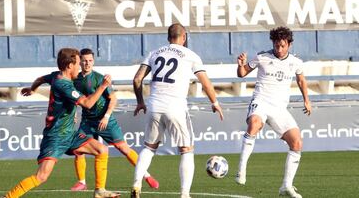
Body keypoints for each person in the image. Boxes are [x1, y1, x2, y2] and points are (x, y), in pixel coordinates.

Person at [21, 48, 159, 191]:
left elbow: (113, 99)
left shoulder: (98, 78)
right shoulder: (73, 80)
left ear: (93, 62)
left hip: (104, 118)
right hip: (86, 120)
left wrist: (106, 116)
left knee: (122, 148)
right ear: (76, 64)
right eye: (83, 61)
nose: (86, 63)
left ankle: (146, 175)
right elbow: (78, 101)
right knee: (79, 151)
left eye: (90, 61)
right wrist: (73, 112)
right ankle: (82, 182)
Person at [1, 48, 119, 198]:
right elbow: (88, 103)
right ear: (70, 65)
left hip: (69, 134)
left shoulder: (55, 76)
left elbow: (41, 79)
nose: (80, 66)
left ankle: (99, 191)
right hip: (56, 137)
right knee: (41, 177)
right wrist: (102, 86)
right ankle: (9, 197)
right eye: (78, 63)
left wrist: (32, 89)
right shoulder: (64, 85)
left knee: (102, 150)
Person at [130, 23, 224, 198]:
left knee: (149, 148)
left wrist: (140, 102)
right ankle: (184, 194)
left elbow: (137, 80)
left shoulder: (154, 53)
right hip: (175, 106)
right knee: (186, 150)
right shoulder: (190, 55)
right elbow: (205, 82)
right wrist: (215, 102)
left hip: (154, 105)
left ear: (168, 37)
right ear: (184, 37)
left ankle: (136, 185)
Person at [235, 26, 312, 198]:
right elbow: (242, 73)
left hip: (279, 109)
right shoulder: (262, 57)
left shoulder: (295, 62)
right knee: (254, 124)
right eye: (276, 45)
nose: (279, 49)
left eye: (282, 45)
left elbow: (301, 79)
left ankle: (286, 186)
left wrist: (307, 100)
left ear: (289, 45)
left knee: (297, 143)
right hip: (261, 102)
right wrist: (240, 65)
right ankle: (241, 169)